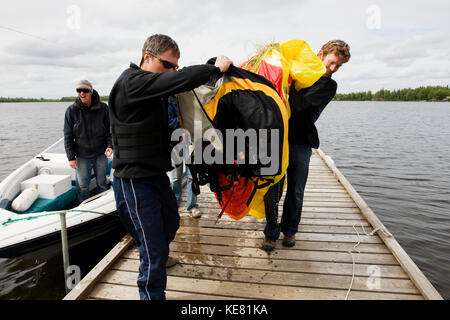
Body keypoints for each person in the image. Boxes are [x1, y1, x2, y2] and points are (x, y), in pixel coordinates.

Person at [108, 34, 232, 300]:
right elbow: (180, 79)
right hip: (133, 180)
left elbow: (180, 89)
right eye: (167, 65)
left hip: (155, 175)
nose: (172, 71)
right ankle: (151, 289)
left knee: (172, 222)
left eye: (175, 66)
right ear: (147, 57)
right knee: (151, 246)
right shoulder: (132, 82)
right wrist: (214, 68)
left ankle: (156, 258)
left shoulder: (152, 89)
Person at [262, 40, 351, 252]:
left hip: (301, 141)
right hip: (276, 137)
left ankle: (290, 230)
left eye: (338, 66)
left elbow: (301, 107)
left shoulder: (329, 85)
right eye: (331, 63)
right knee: (272, 188)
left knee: (296, 189)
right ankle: (271, 233)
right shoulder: (294, 70)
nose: (333, 69)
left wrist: (289, 81)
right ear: (320, 54)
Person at [64, 80, 113, 203]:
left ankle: (103, 205)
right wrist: (71, 157)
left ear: (91, 91)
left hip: (101, 153)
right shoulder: (71, 110)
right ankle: (82, 207)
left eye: (85, 90)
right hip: (81, 155)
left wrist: (110, 145)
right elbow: (68, 135)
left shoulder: (103, 108)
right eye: (79, 90)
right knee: (82, 186)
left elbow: (110, 129)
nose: (82, 93)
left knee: (101, 183)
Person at [167, 96, 202, 219]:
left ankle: (192, 205)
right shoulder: (167, 99)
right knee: (175, 176)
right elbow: (168, 120)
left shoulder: (190, 96)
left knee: (192, 175)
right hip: (174, 142)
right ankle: (176, 199)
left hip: (191, 140)